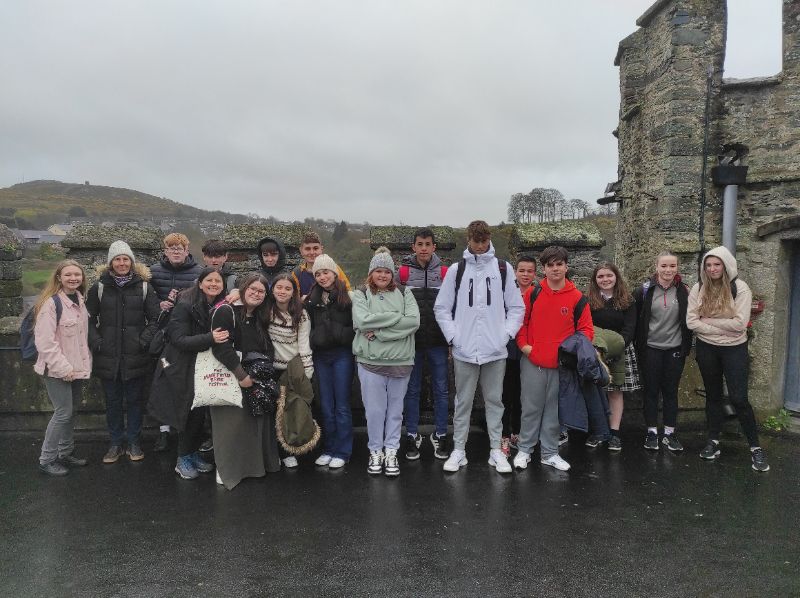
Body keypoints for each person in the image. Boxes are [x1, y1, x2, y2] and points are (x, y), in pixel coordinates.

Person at [433, 221, 525, 474]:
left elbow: (516, 308)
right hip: (464, 349)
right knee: (462, 401)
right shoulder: (456, 270)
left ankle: (496, 449)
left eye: (484, 242)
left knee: (495, 401)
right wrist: (454, 337)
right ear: (468, 241)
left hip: (495, 350)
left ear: (489, 240)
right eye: (476, 242)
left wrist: (504, 335)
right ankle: (459, 450)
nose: (481, 247)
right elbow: (442, 307)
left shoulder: (503, 269)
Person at [686, 246, 769, 472]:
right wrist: (723, 327)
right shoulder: (698, 288)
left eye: (717, 264)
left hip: (734, 349)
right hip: (707, 349)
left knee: (739, 398)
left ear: (726, 265)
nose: (712, 269)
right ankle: (713, 441)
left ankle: (755, 448)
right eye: (709, 265)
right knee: (712, 395)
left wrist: (708, 323)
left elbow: (739, 324)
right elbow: (692, 322)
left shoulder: (740, 288)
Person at [514, 246, 592, 472]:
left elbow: (586, 331)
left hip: (562, 365)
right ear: (544, 269)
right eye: (550, 265)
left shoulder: (578, 298)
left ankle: (549, 453)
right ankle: (525, 449)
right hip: (533, 360)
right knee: (530, 407)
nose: (555, 268)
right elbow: (522, 322)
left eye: (559, 264)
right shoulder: (534, 293)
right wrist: (525, 347)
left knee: (554, 410)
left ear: (566, 267)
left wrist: (569, 352)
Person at [148, 267, 227, 480]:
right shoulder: (185, 305)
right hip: (179, 364)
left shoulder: (216, 305)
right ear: (200, 283)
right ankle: (182, 458)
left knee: (199, 412)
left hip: (199, 364)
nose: (213, 284)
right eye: (209, 280)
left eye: (217, 281)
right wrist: (210, 338)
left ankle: (191, 454)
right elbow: (179, 340)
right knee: (186, 411)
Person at [86, 241, 161, 464]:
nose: (121, 263)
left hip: (135, 355)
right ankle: (116, 443)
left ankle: (134, 441)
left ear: (132, 262)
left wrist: (143, 341)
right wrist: (97, 342)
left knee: (136, 401)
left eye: (125, 259)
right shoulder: (99, 288)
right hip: (108, 356)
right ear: (111, 263)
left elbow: (156, 319)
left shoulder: (144, 287)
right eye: (117, 259)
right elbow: (87, 320)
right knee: (113, 402)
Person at [210, 273, 282, 489]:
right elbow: (220, 347)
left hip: (255, 376)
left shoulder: (260, 316)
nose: (256, 294)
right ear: (242, 289)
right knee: (230, 427)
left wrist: (261, 373)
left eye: (261, 291)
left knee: (253, 424)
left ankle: (254, 467)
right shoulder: (226, 311)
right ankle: (227, 469)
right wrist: (242, 376)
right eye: (252, 289)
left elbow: (266, 346)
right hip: (232, 375)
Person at [352, 248, 420, 476]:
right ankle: (375, 450)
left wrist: (379, 332)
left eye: (387, 272)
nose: (383, 275)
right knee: (374, 411)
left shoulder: (405, 292)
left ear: (392, 274)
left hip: (401, 361)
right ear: (371, 273)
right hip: (370, 361)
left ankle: (391, 450)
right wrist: (395, 319)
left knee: (395, 412)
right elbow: (362, 321)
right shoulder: (361, 293)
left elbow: (412, 321)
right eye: (378, 271)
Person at [396, 228, 451, 461]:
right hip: (413, 341)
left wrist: (452, 339)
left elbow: (453, 307)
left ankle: (440, 433)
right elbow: (393, 303)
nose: (424, 248)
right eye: (420, 244)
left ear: (434, 247)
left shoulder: (446, 272)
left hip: (439, 340)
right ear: (413, 247)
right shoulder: (404, 272)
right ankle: (411, 433)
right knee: (413, 389)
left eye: (428, 244)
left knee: (441, 390)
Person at [33, 260, 92, 476]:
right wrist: (64, 367)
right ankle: (46, 458)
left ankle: (65, 452)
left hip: (75, 368)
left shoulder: (79, 300)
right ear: (59, 277)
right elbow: (45, 343)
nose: (73, 278)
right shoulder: (51, 304)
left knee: (71, 411)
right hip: (57, 370)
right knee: (62, 412)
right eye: (68, 275)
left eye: (77, 275)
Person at [148, 232, 203, 452]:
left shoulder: (199, 273)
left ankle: (184, 431)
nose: (176, 251)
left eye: (180, 248)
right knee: (163, 384)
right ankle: (163, 431)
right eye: (172, 248)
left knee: (186, 385)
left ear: (187, 251)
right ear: (165, 251)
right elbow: (147, 302)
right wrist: (160, 305)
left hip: (187, 337)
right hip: (163, 338)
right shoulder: (153, 272)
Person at [633, 251, 692, 452]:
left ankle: (669, 433)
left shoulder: (684, 290)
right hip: (650, 349)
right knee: (650, 391)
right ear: (656, 267)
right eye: (664, 266)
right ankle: (651, 432)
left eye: (672, 266)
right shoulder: (644, 290)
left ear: (677, 267)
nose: (668, 270)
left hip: (675, 349)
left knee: (670, 391)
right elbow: (636, 319)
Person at [304, 254, 355, 469]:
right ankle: (329, 448)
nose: (323, 276)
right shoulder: (311, 300)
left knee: (341, 405)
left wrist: (341, 334)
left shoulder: (348, 296)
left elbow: (357, 327)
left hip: (342, 354)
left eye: (326, 272)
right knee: (325, 404)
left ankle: (343, 451)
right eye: (318, 273)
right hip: (321, 356)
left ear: (334, 273)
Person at [587, 261, 639, 451]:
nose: (605, 279)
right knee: (596, 392)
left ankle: (614, 433)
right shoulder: (589, 301)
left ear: (616, 277)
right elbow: (587, 327)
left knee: (615, 392)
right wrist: (598, 349)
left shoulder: (627, 300)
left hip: (621, 350)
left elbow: (630, 328)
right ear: (595, 280)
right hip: (596, 351)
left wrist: (616, 347)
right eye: (600, 276)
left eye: (609, 275)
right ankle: (598, 431)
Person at [266, 273, 314, 468]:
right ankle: (272, 453)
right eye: (279, 287)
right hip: (269, 369)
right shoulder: (266, 310)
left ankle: (287, 451)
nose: (282, 291)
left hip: (291, 371)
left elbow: (304, 346)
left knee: (288, 412)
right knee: (269, 413)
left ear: (294, 292)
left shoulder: (301, 314)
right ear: (272, 289)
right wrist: (235, 292)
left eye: (287, 288)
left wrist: (307, 375)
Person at [500, 255, 536, 456]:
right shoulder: (506, 292)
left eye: (529, 271)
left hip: (528, 350)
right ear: (515, 271)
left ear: (535, 273)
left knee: (524, 395)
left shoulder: (538, 292)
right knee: (506, 394)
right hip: (507, 350)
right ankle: (504, 434)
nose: (525, 274)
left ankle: (518, 431)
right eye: (522, 270)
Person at [291, 231, 351, 299]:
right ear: (301, 251)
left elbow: (347, 292)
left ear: (321, 249)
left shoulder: (334, 268)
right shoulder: (297, 273)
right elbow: (294, 300)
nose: (312, 252)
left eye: (315, 248)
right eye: (307, 249)